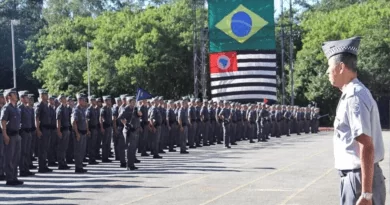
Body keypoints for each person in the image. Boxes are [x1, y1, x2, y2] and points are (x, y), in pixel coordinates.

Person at [322, 36, 386, 205]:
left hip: (358, 179)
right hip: (356, 177)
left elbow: (365, 143)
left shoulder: (354, 96)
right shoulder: (353, 93)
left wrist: (366, 193)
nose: (327, 72)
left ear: (341, 67)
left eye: (329, 67)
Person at [0, 88, 23, 185]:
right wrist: (5, 134)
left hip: (17, 134)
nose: (16, 95)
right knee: (9, 157)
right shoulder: (6, 108)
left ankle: (14, 176)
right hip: (10, 135)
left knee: (16, 157)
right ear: (9, 96)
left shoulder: (16, 107)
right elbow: (2, 122)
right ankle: (10, 178)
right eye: (14, 94)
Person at [71, 93, 89, 173]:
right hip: (79, 133)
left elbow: (85, 121)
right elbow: (74, 122)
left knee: (82, 150)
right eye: (83, 100)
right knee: (78, 151)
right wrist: (77, 133)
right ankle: (78, 167)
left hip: (83, 132)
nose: (85, 101)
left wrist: (87, 130)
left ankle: (80, 165)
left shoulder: (83, 109)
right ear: (79, 100)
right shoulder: (76, 110)